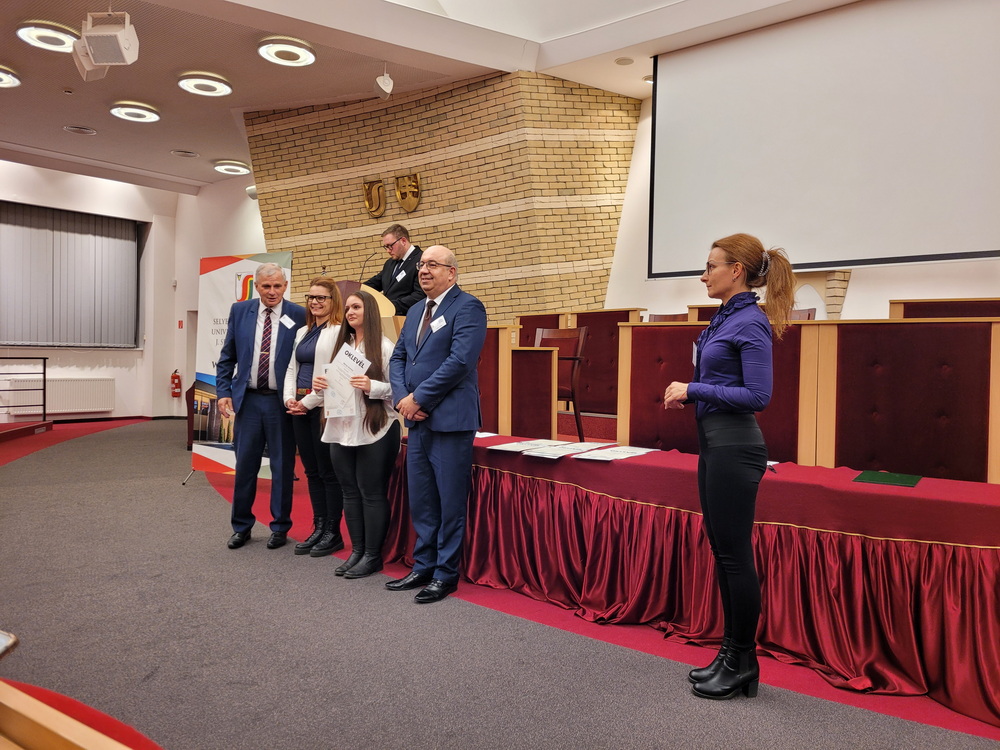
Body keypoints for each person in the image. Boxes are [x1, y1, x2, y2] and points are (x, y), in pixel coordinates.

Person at [662, 233, 794, 700]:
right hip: (715, 446)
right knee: (723, 553)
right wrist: (692, 393)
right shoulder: (726, 318)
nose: (703, 275)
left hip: (735, 449)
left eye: (710, 266)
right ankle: (729, 655)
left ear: (735, 270)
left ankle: (743, 661)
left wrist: (693, 389)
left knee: (735, 557)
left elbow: (758, 395)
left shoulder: (750, 322)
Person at [387, 245, 487, 603]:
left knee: (449, 501)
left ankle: (445, 573)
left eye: (432, 264)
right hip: (417, 421)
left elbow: (460, 362)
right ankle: (424, 565)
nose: (424, 270)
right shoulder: (416, 310)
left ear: (451, 272)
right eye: (421, 265)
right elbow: (399, 358)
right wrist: (403, 398)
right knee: (423, 500)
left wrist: (419, 399)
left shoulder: (468, 307)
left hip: (450, 421)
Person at [308, 290, 401, 578]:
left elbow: (401, 390)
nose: (350, 312)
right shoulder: (343, 348)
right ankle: (357, 551)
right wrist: (319, 388)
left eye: (356, 307)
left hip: (375, 428)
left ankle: (372, 556)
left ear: (368, 311)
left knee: (371, 492)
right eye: (348, 307)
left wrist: (373, 386)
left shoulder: (385, 347)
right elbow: (332, 388)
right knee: (349, 491)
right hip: (341, 427)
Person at [216, 262, 306, 550]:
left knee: (282, 467)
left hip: (281, 404)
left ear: (285, 286)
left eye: (277, 286)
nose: (272, 291)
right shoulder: (240, 311)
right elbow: (227, 356)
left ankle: (280, 527)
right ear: (256, 286)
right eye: (266, 286)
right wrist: (223, 391)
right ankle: (241, 527)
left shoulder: (299, 314)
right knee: (245, 467)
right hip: (249, 401)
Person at [283, 278, 346, 557]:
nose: (315, 302)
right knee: (310, 471)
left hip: (322, 408)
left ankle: (333, 532)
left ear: (333, 301)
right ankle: (318, 526)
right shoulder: (302, 331)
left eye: (322, 298)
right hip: (299, 407)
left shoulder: (338, 332)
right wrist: (289, 399)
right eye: (311, 297)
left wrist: (307, 403)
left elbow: (334, 376)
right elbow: (291, 368)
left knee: (327, 472)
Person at [364, 224, 425, 315]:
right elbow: (376, 282)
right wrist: (357, 289)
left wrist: (391, 305)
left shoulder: (421, 260)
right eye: (385, 247)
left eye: (390, 246)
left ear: (403, 241)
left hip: (410, 316)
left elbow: (419, 295)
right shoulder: (390, 263)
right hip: (391, 317)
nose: (388, 251)